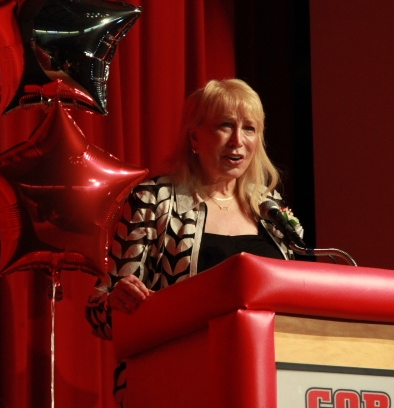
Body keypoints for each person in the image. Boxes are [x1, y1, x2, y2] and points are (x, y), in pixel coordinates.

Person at [85, 78, 305, 405]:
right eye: (225, 126)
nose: (238, 141)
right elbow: (101, 314)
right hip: (175, 384)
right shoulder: (155, 200)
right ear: (194, 137)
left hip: (265, 384)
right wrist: (115, 301)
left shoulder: (271, 211)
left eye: (249, 129)